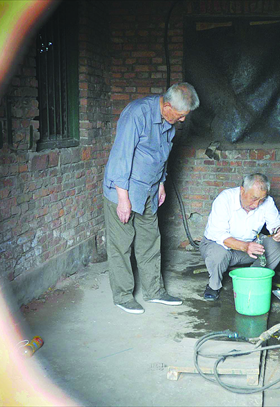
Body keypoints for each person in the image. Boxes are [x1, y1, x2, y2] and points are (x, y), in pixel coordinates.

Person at [103, 82, 200, 314]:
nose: (183, 120)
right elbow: (121, 157)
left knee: (150, 240)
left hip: (149, 189)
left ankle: (154, 291)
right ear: (167, 106)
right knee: (121, 244)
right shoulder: (137, 114)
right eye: (181, 115)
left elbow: (161, 155)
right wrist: (123, 198)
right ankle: (123, 295)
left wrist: (161, 183)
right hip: (124, 190)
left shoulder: (169, 120)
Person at [199, 173, 280, 301]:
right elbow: (218, 234)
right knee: (218, 254)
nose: (257, 204)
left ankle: (254, 279)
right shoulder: (225, 199)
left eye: (261, 200)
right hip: (219, 246)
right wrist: (245, 246)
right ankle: (213, 286)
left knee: (277, 246)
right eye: (254, 198)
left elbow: (275, 222)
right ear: (242, 190)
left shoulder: (267, 202)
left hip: (247, 249)